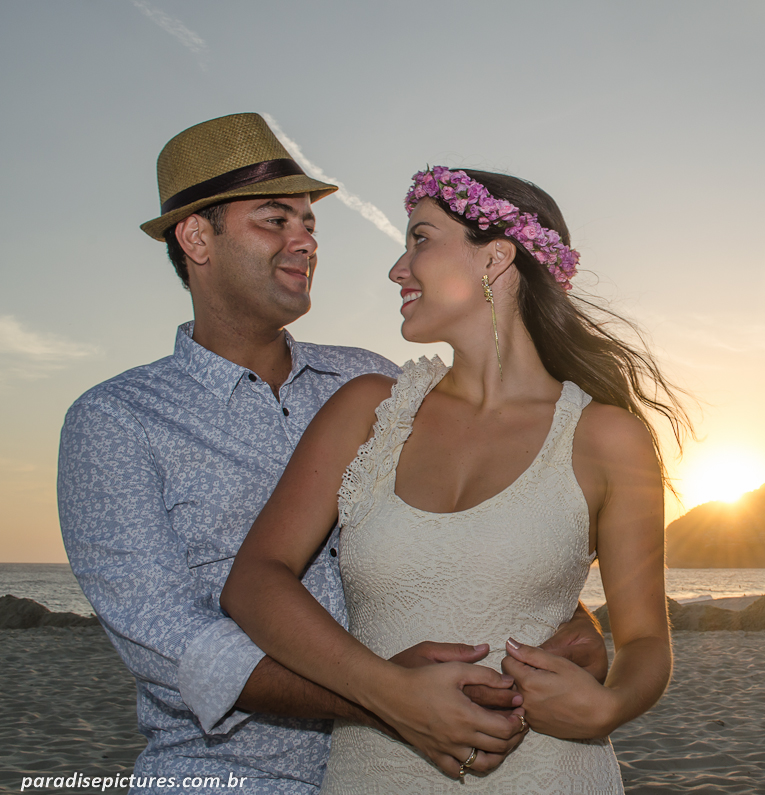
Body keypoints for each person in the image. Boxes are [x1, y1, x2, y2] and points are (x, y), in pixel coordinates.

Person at [58, 115, 605, 793]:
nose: (304, 242)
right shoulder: (116, 420)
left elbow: (475, 531)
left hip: (412, 771)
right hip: (223, 775)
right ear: (197, 236)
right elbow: (174, 645)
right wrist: (386, 697)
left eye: (309, 224)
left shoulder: (371, 381)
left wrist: (569, 620)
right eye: (274, 220)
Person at [223, 166, 689, 791]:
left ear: (496, 257)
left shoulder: (608, 438)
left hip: (548, 773)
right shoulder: (368, 409)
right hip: (374, 773)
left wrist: (608, 707)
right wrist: (392, 694)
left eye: (420, 238)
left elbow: (644, 642)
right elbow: (253, 582)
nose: (397, 269)